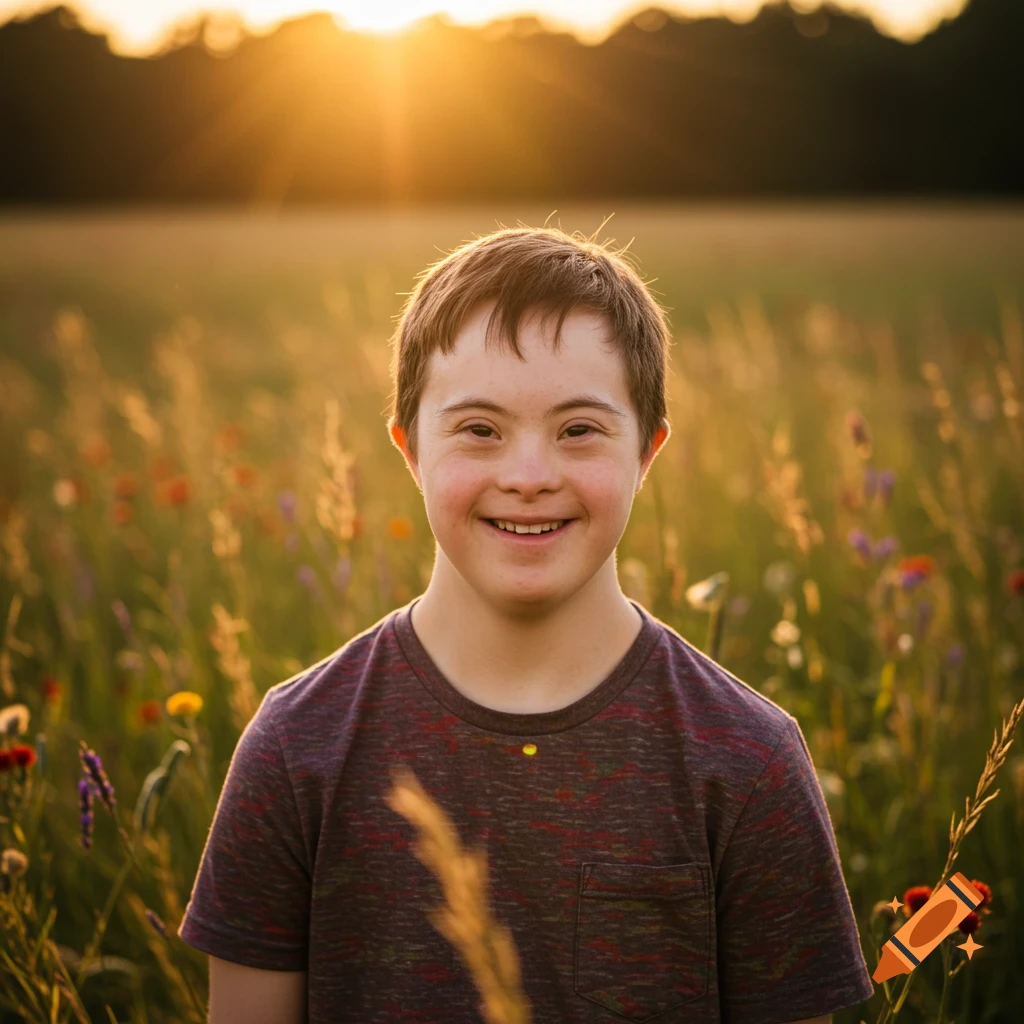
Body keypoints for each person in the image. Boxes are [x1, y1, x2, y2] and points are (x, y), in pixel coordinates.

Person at [178, 224, 874, 1023]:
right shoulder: (297, 748)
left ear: (647, 452)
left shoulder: (748, 760)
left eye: (579, 430)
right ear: (410, 451)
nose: (530, 476)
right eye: (479, 430)